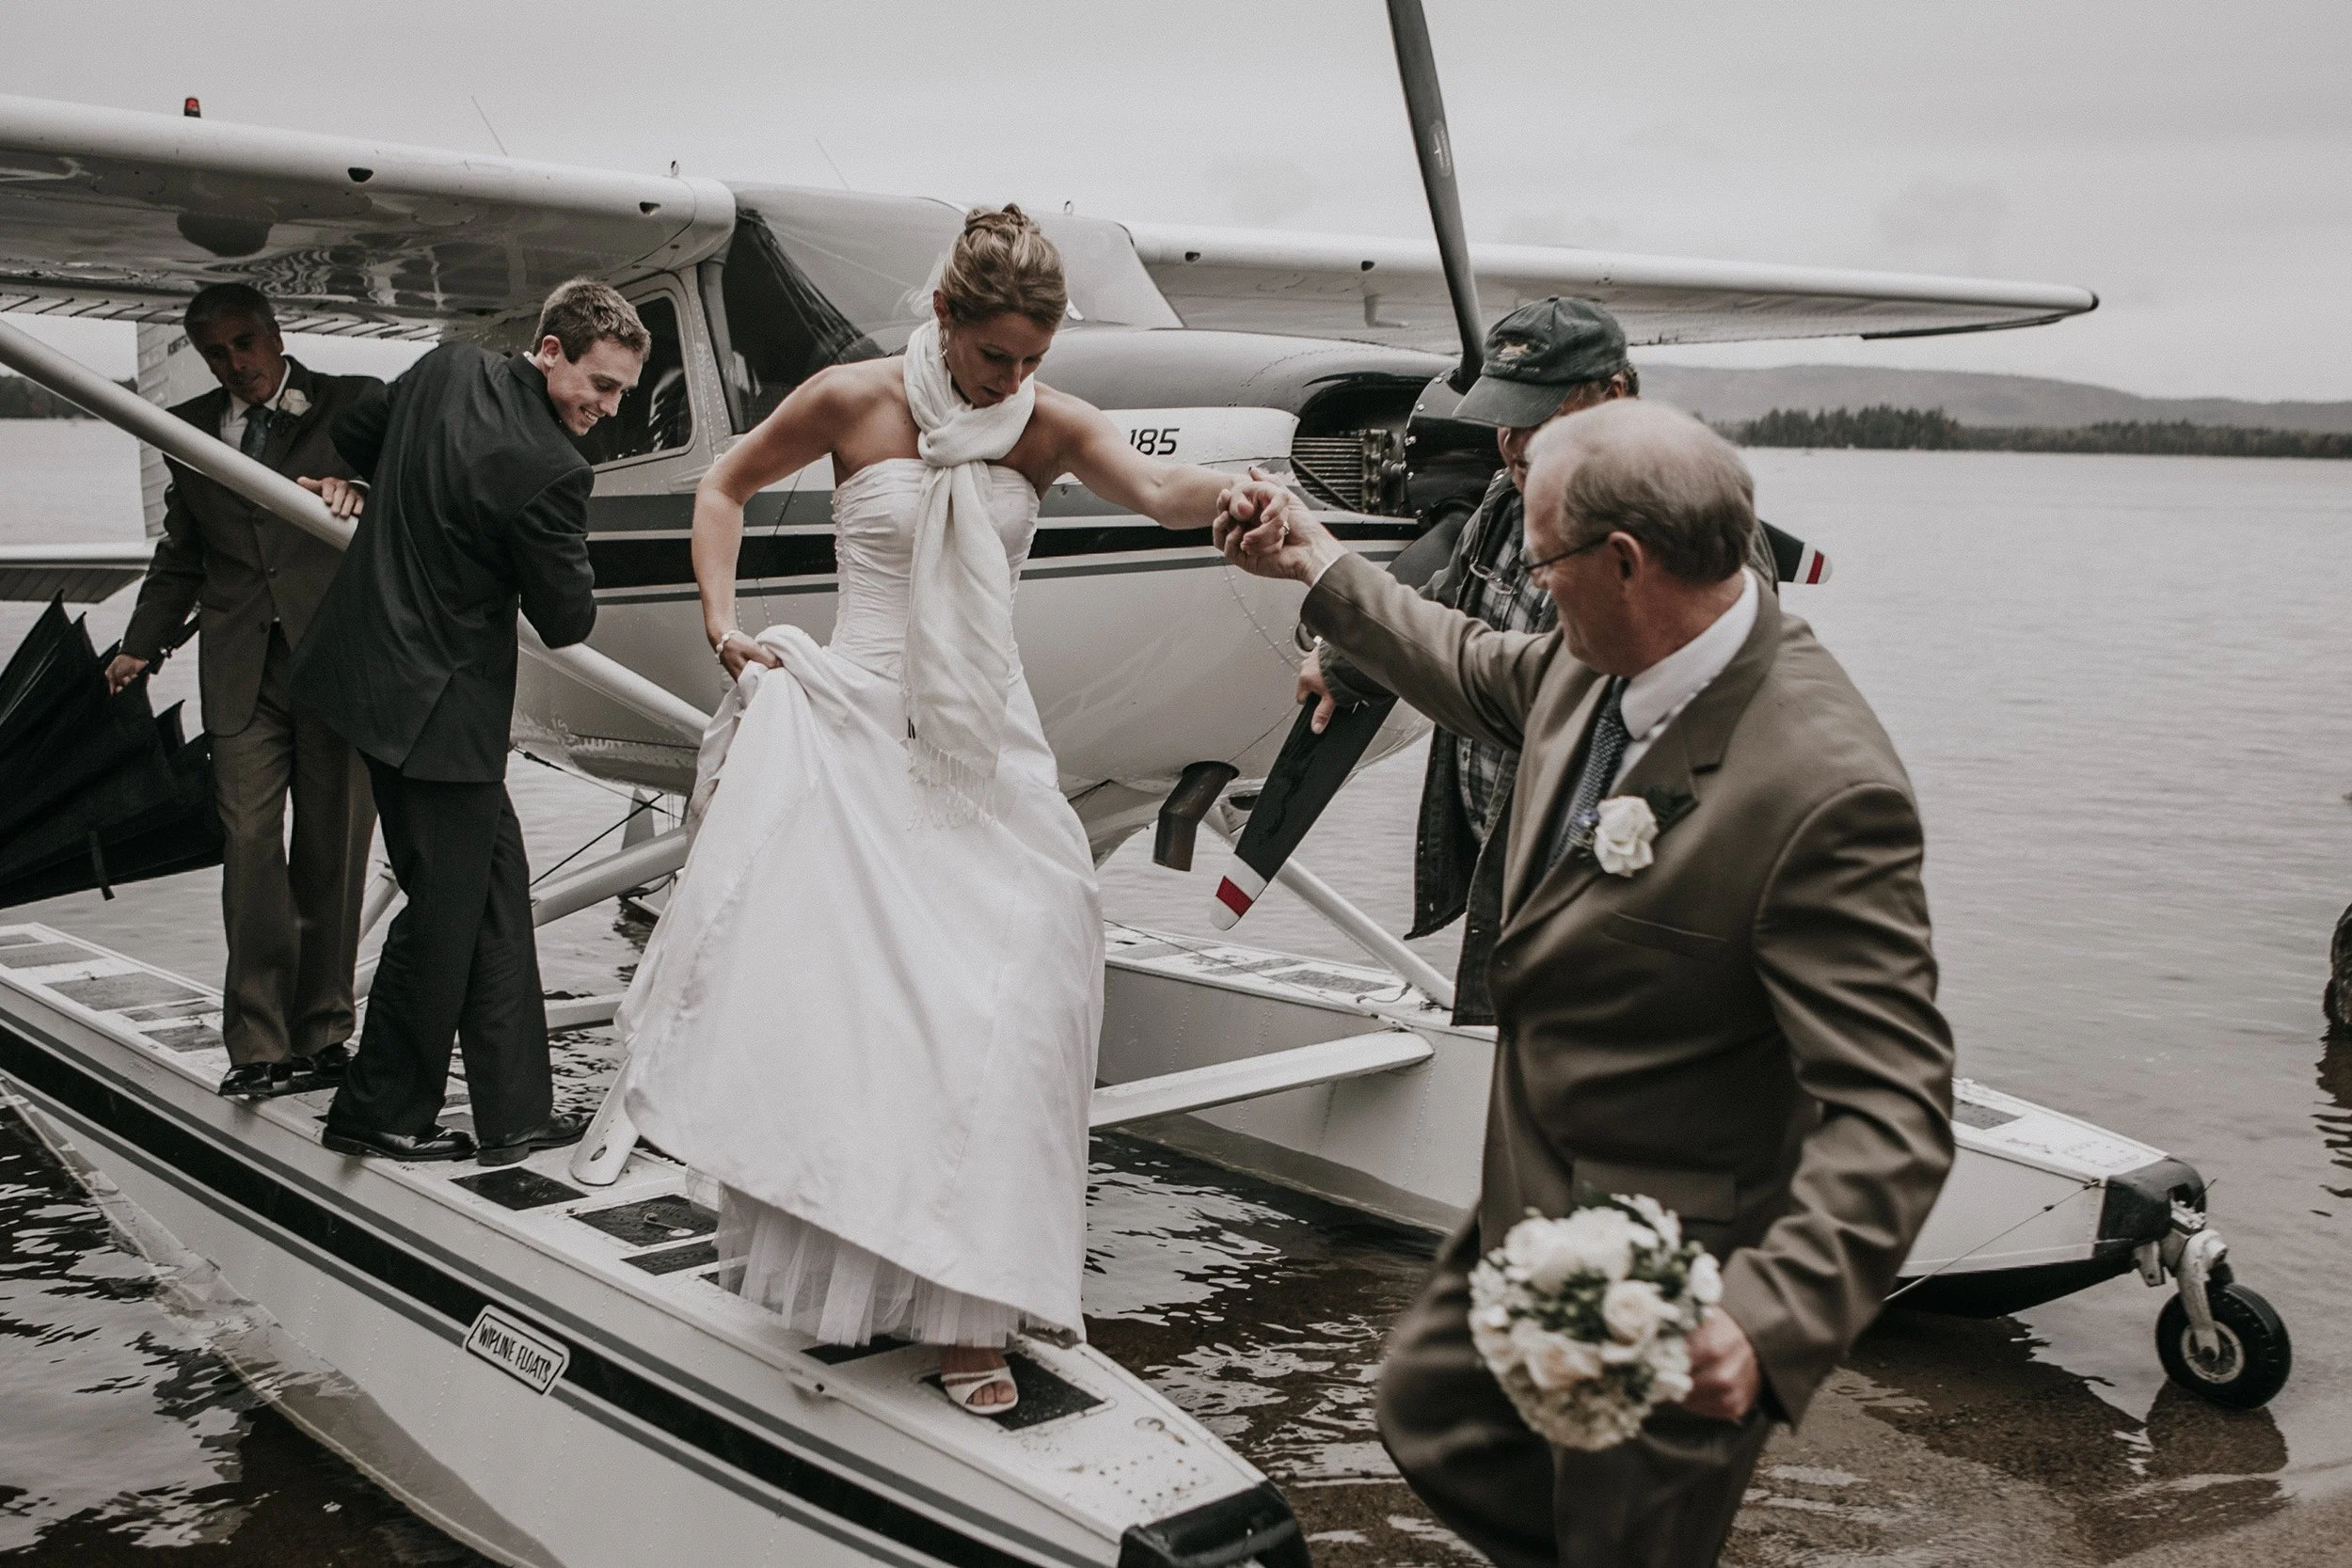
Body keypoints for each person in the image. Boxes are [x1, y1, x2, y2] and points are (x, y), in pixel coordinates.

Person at [1215, 401, 1955, 1568]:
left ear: (1625, 561)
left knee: (1624, 1544)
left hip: (1669, 1276)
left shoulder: (1822, 788)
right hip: (1526, 1203)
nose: (1530, 579)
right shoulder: (1596, 654)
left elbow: (1896, 1108)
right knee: (1426, 1410)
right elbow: (1459, 658)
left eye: (1544, 558)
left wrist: (1763, 1321)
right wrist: (1315, 557)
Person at [618, 206, 1289, 1415]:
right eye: (997, 359)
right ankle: (893, 1286)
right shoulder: (849, 399)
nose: (1018, 380)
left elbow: (1155, 489)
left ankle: (976, 1292)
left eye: (1034, 359)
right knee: (869, 1014)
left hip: (985, 743)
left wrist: (1240, 497)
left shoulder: (1046, 421)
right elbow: (723, 484)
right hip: (858, 725)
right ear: (944, 318)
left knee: (1026, 989)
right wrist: (726, 631)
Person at [291, 278, 646, 1166]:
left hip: (366, 672)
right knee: (442, 918)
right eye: (599, 386)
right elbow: (568, 619)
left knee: (492, 889)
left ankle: (515, 1112)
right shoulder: (555, 472)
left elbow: (360, 432)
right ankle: (375, 1111)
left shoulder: (449, 367)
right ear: (552, 349)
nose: (606, 409)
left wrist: (365, 487)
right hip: (438, 715)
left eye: (623, 396)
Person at [1304, 296, 1640, 1025]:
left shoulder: (1672, 547)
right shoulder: (1507, 500)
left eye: (1537, 417)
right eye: (1505, 418)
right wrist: (1345, 666)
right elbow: (1449, 605)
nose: (1514, 444)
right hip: (1507, 874)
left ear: (1614, 399)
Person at [107, 284, 379, 1100]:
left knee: (332, 852)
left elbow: (411, 498)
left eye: (245, 344)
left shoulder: (354, 404)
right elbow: (182, 551)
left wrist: (361, 494)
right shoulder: (184, 430)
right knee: (251, 852)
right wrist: (140, 644)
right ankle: (259, 1043)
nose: (235, 364)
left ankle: (325, 1031)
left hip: (336, 665)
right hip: (239, 671)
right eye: (216, 352)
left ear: (275, 333)